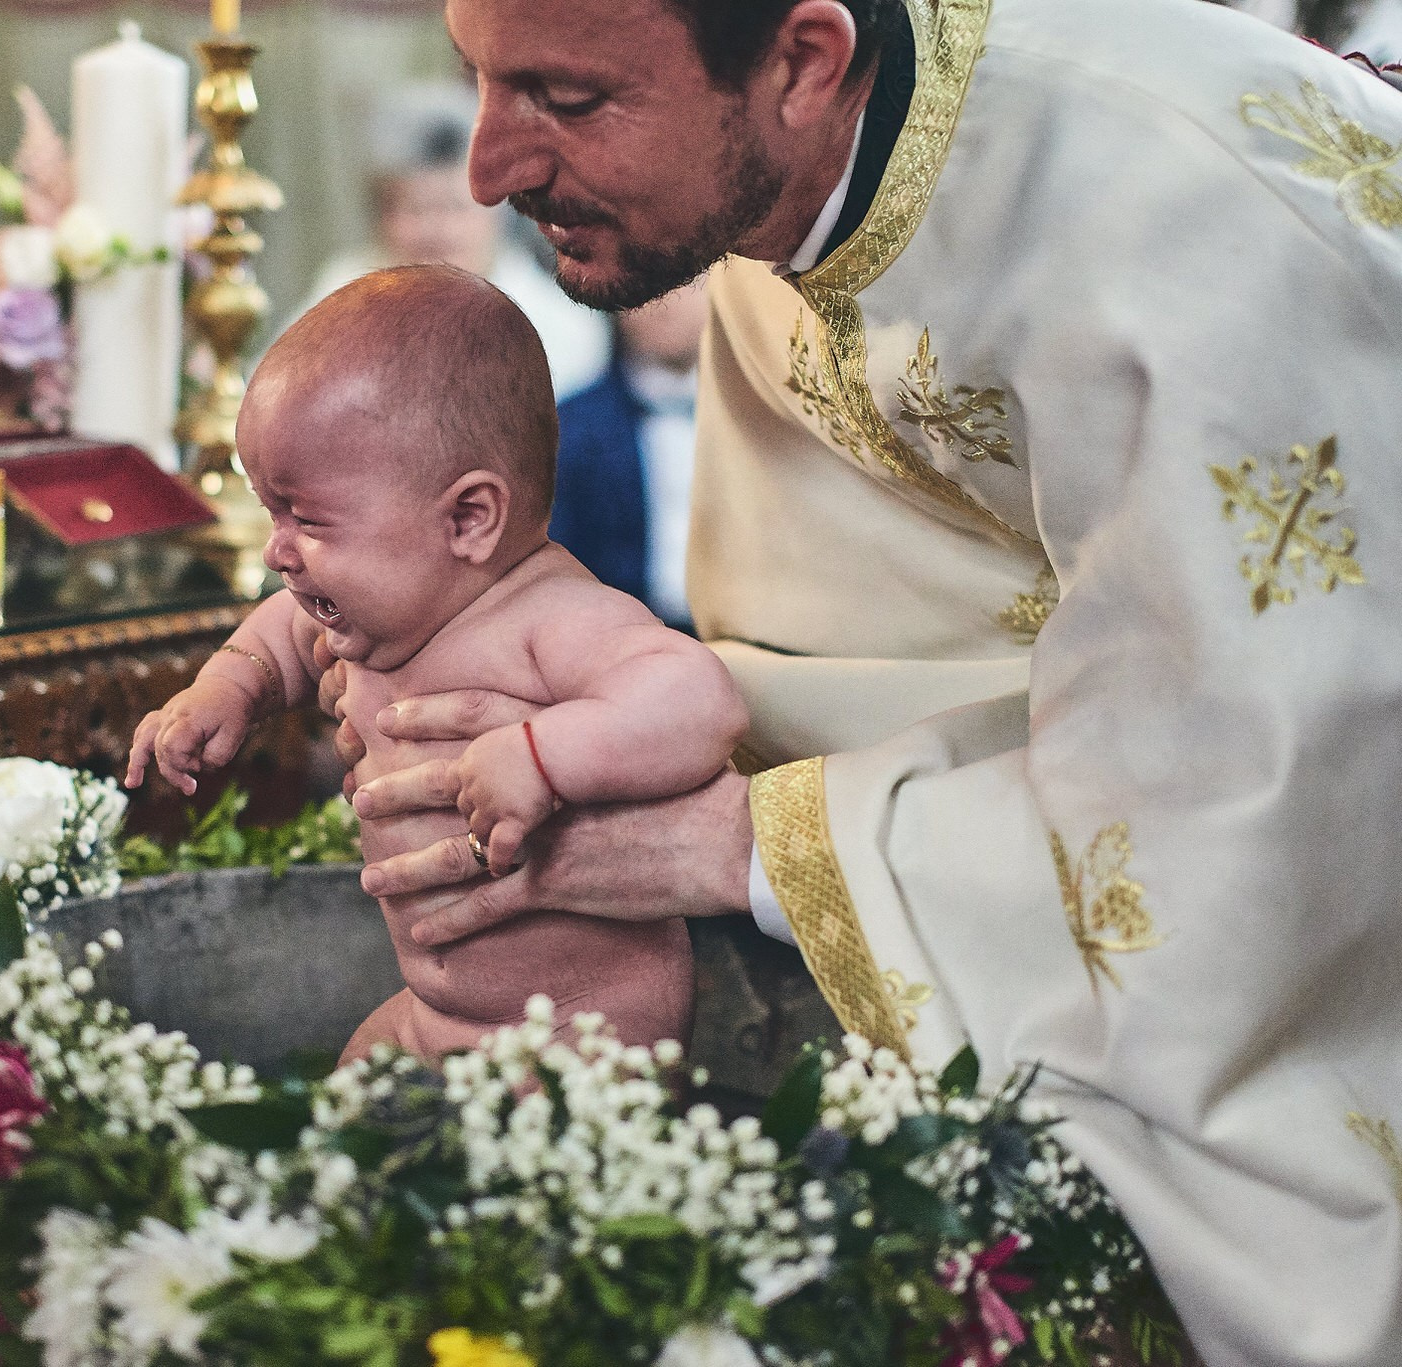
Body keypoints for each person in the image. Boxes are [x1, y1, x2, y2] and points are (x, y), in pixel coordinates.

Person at [327, 1, 1402, 1364]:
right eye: (478, 79)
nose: (488, 167)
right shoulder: (760, 186)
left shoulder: (1187, 226)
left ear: (805, 61)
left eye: (569, 99)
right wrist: (558, 716)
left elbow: (1275, 803)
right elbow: (859, 639)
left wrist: (738, 841)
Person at [128, 266, 741, 1061]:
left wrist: (543, 757)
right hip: (434, 1010)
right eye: (271, 511)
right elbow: (278, 631)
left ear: (468, 518)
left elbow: (698, 700)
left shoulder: (547, 618)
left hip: (581, 1025)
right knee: (354, 1088)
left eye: (307, 518)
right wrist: (230, 683)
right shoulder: (371, 614)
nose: (279, 551)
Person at [300, 83, 610, 400]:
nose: (436, 230)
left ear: (501, 213)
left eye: (455, 207)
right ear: (381, 217)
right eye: (415, 208)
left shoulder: (560, 324)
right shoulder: (338, 296)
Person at [549, 276, 707, 628]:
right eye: (649, 285)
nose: (666, 301)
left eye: (687, 281)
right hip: (617, 638)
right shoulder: (571, 426)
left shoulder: (756, 417)